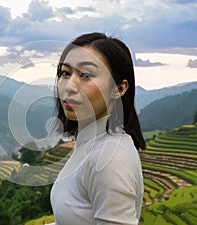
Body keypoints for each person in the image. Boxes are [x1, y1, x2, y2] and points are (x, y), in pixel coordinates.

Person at [50, 32, 145, 225]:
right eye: (65, 73)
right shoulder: (92, 144)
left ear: (119, 88)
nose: (69, 86)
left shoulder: (111, 157)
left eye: (86, 75)